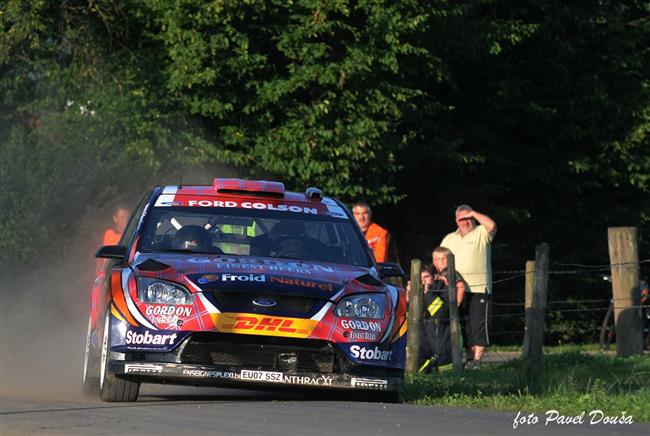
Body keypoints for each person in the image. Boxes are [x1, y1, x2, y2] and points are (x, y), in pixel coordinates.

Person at [440, 205, 496, 369]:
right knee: (466, 327)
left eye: (467, 218)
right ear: (456, 221)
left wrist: (472, 213)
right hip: (458, 289)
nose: (465, 222)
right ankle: (470, 359)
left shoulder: (481, 233)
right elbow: (439, 257)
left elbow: (492, 225)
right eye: (461, 219)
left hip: (480, 288)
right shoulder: (450, 238)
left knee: (479, 325)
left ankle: (478, 361)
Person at [419, 248, 467, 372]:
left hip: (443, 346)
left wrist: (428, 294)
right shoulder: (416, 293)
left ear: (435, 277)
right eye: (420, 278)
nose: (423, 281)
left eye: (426, 277)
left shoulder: (443, 288)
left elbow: (441, 314)